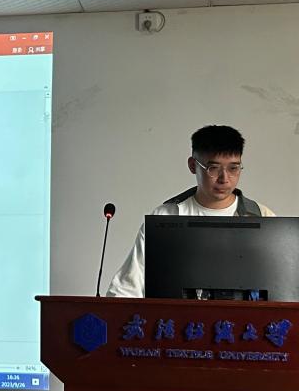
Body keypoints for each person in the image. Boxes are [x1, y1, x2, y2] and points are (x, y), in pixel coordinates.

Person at [106, 125, 275, 298]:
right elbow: (126, 290)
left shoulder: (263, 217)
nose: (224, 179)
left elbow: (278, 291)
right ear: (193, 165)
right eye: (213, 168)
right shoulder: (166, 217)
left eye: (233, 168)